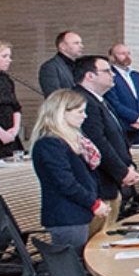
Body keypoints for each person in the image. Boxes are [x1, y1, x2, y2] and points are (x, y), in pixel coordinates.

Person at [28, 90, 108, 250]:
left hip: (77, 215)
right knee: (73, 265)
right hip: (66, 217)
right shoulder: (50, 144)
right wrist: (93, 204)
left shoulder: (67, 141)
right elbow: (66, 183)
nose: (84, 116)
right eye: (79, 112)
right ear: (62, 113)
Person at [74, 56, 138, 222]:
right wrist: (122, 172)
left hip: (112, 182)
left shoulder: (101, 100)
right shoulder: (83, 101)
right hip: (100, 185)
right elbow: (98, 142)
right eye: (107, 71)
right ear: (90, 76)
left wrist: (128, 166)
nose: (113, 74)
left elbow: (117, 137)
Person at [106, 43, 139, 144]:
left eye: (128, 53)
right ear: (112, 57)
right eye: (122, 54)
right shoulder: (110, 76)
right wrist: (136, 118)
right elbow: (114, 103)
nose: (126, 57)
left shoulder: (136, 75)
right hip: (123, 127)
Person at [39, 30, 84, 96]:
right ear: (62, 46)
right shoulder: (50, 67)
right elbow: (53, 96)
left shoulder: (79, 66)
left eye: (81, 43)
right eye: (76, 43)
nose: (81, 46)